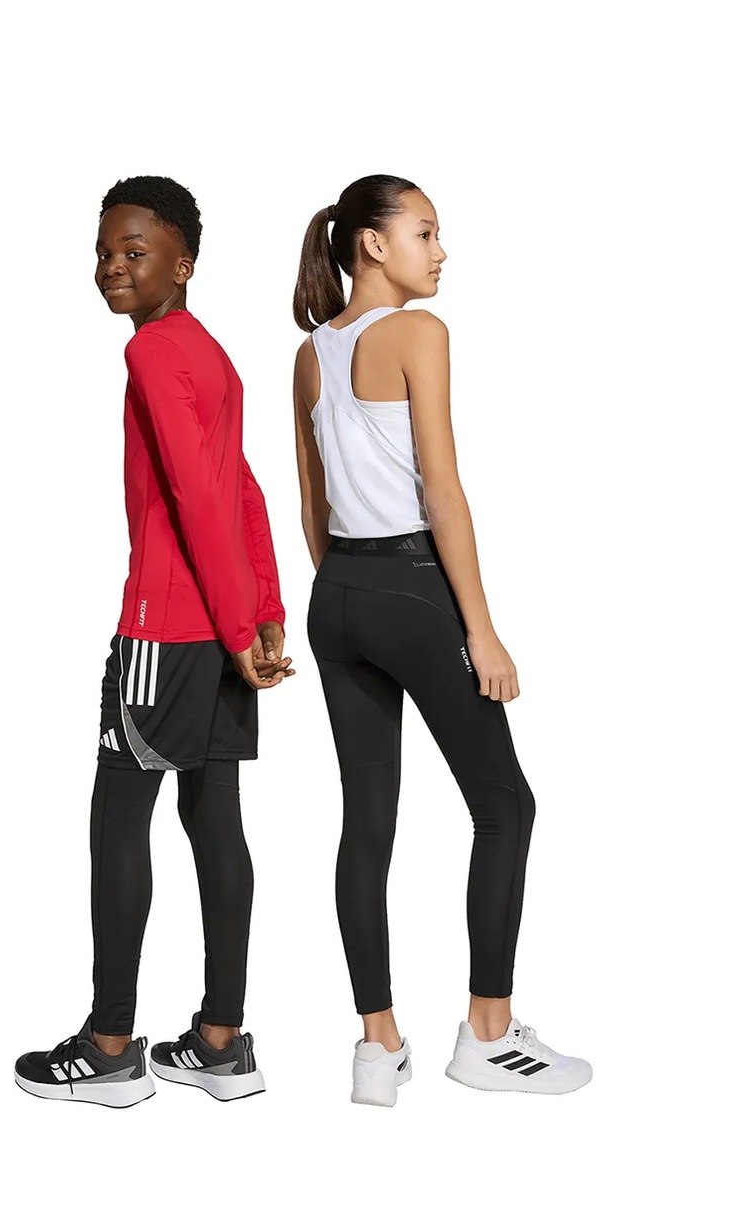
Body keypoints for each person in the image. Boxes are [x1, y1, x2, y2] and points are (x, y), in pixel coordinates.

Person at [292, 174, 591, 1105]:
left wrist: (348, 591)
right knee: (505, 806)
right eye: (424, 232)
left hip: (335, 592)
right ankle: (488, 1035)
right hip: (412, 588)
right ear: (373, 244)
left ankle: (375, 1046)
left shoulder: (309, 352)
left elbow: (311, 504)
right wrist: (480, 629)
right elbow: (443, 491)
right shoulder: (419, 333)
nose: (440, 250)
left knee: (366, 822)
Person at [15, 175, 292, 1107]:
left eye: (135, 252)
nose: (112, 267)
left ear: (184, 263)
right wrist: (261, 611)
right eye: (103, 252)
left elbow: (204, 493)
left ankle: (107, 1047)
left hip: (165, 629)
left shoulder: (152, 352)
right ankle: (220, 1040)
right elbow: (243, 486)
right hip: (217, 627)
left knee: (117, 821)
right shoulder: (210, 353)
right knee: (215, 820)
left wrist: (237, 621)